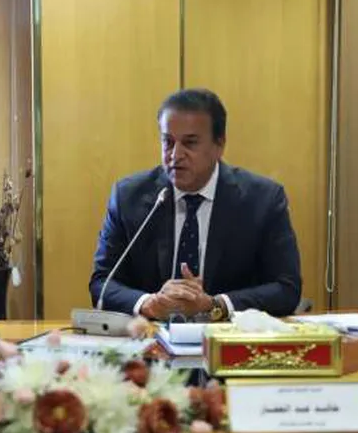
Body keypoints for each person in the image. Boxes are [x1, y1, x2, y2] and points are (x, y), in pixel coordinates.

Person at [89, 88, 302, 321]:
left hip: (228, 336)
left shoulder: (263, 200)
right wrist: (148, 303)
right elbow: (102, 282)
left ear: (219, 145)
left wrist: (215, 305)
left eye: (190, 143)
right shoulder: (128, 197)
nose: (175, 155)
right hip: (149, 336)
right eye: (168, 142)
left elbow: (286, 288)